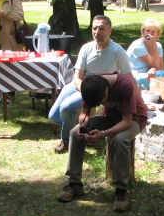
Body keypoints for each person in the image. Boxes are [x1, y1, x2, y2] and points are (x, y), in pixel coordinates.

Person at [56, 73, 147, 212]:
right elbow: (84, 113)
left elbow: (126, 122)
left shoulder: (125, 85)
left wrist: (103, 133)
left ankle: (121, 190)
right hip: (110, 117)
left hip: (134, 119)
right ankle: (74, 184)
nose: (99, 104)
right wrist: (83, 126)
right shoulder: (91, 85)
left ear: (106, 90)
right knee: (75, 133)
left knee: (119, 139)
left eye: (100, 101)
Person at [48, 15, 132, 154]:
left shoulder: (118, 52)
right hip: (80, 85)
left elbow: (129, 79)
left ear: (110, 30)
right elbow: (77, 77)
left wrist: (141, 102)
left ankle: (67, 141)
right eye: (94, 28)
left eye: (102, 28)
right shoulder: (86, 48)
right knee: (53, 116)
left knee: (67, 108)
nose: (97, 32)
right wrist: (84, 90)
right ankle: (83, 129)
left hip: (98, 89)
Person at [126, 18, 164, 90]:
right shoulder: (138, 46)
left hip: (148, 74)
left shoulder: (158, 46)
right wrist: (153, 44)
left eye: (153, 32)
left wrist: (153, 69)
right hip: (134, 77)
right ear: (143, 32)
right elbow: (156, 64)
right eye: (147, 31)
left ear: (157, 34)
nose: (149, 34)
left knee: (163, 74)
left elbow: (161, 67)